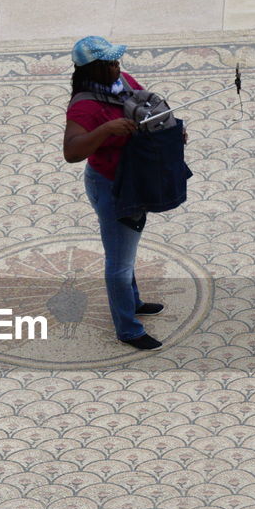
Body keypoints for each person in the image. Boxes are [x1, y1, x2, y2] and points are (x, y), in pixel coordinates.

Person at [62, 36, 166, 351]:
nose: (116, 67)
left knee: (126, 248)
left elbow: (146, 105)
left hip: (132, 179)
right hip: (111, 186)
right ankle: (128, 330)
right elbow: (71, 151)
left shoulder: (122, 82)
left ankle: (132, 301)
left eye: (116, 60)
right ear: (91, 70)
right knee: (119, 262)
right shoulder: (84, 106)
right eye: (108, 63)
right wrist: (106, 130)